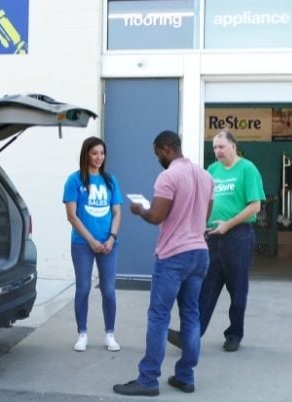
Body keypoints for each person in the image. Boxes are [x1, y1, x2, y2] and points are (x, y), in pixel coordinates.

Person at [113, 131, 213, 397]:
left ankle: (148, 380)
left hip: (173, 256)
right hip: (200, 253)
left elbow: (157, 216)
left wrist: (139, 210)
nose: (157, 157)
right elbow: (206, 214)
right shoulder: (205, 176)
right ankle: (185, 376)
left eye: (157, 152)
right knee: (191, 315)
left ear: (167, 149)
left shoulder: (168, 176)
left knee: (159, 316)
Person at [168, 129, 265, 353]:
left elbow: (255, 206)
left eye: (221, 147)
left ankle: (234, 334)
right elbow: (204, 200)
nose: (217, 151)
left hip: (238, 236)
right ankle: (190, 336)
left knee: (237, 288)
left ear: (233, 146)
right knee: (206, 287)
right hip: (212, 236)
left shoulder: (247, 169)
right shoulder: (212, 170)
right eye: (214, 148)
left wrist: (228, 224)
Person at [63, 136, 123, 352]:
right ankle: (82, 333)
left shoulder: (110, 180)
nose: (99, 157)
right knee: (83, 288)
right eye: (95, 153)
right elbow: (72, 215)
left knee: (108, 290)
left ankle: (110, 334)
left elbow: (117, 212)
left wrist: (111, 238)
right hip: (82, 244)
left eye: (102, 153)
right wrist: (91, 240)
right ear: (86, 153)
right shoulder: (74, 180)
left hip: (108, 245)